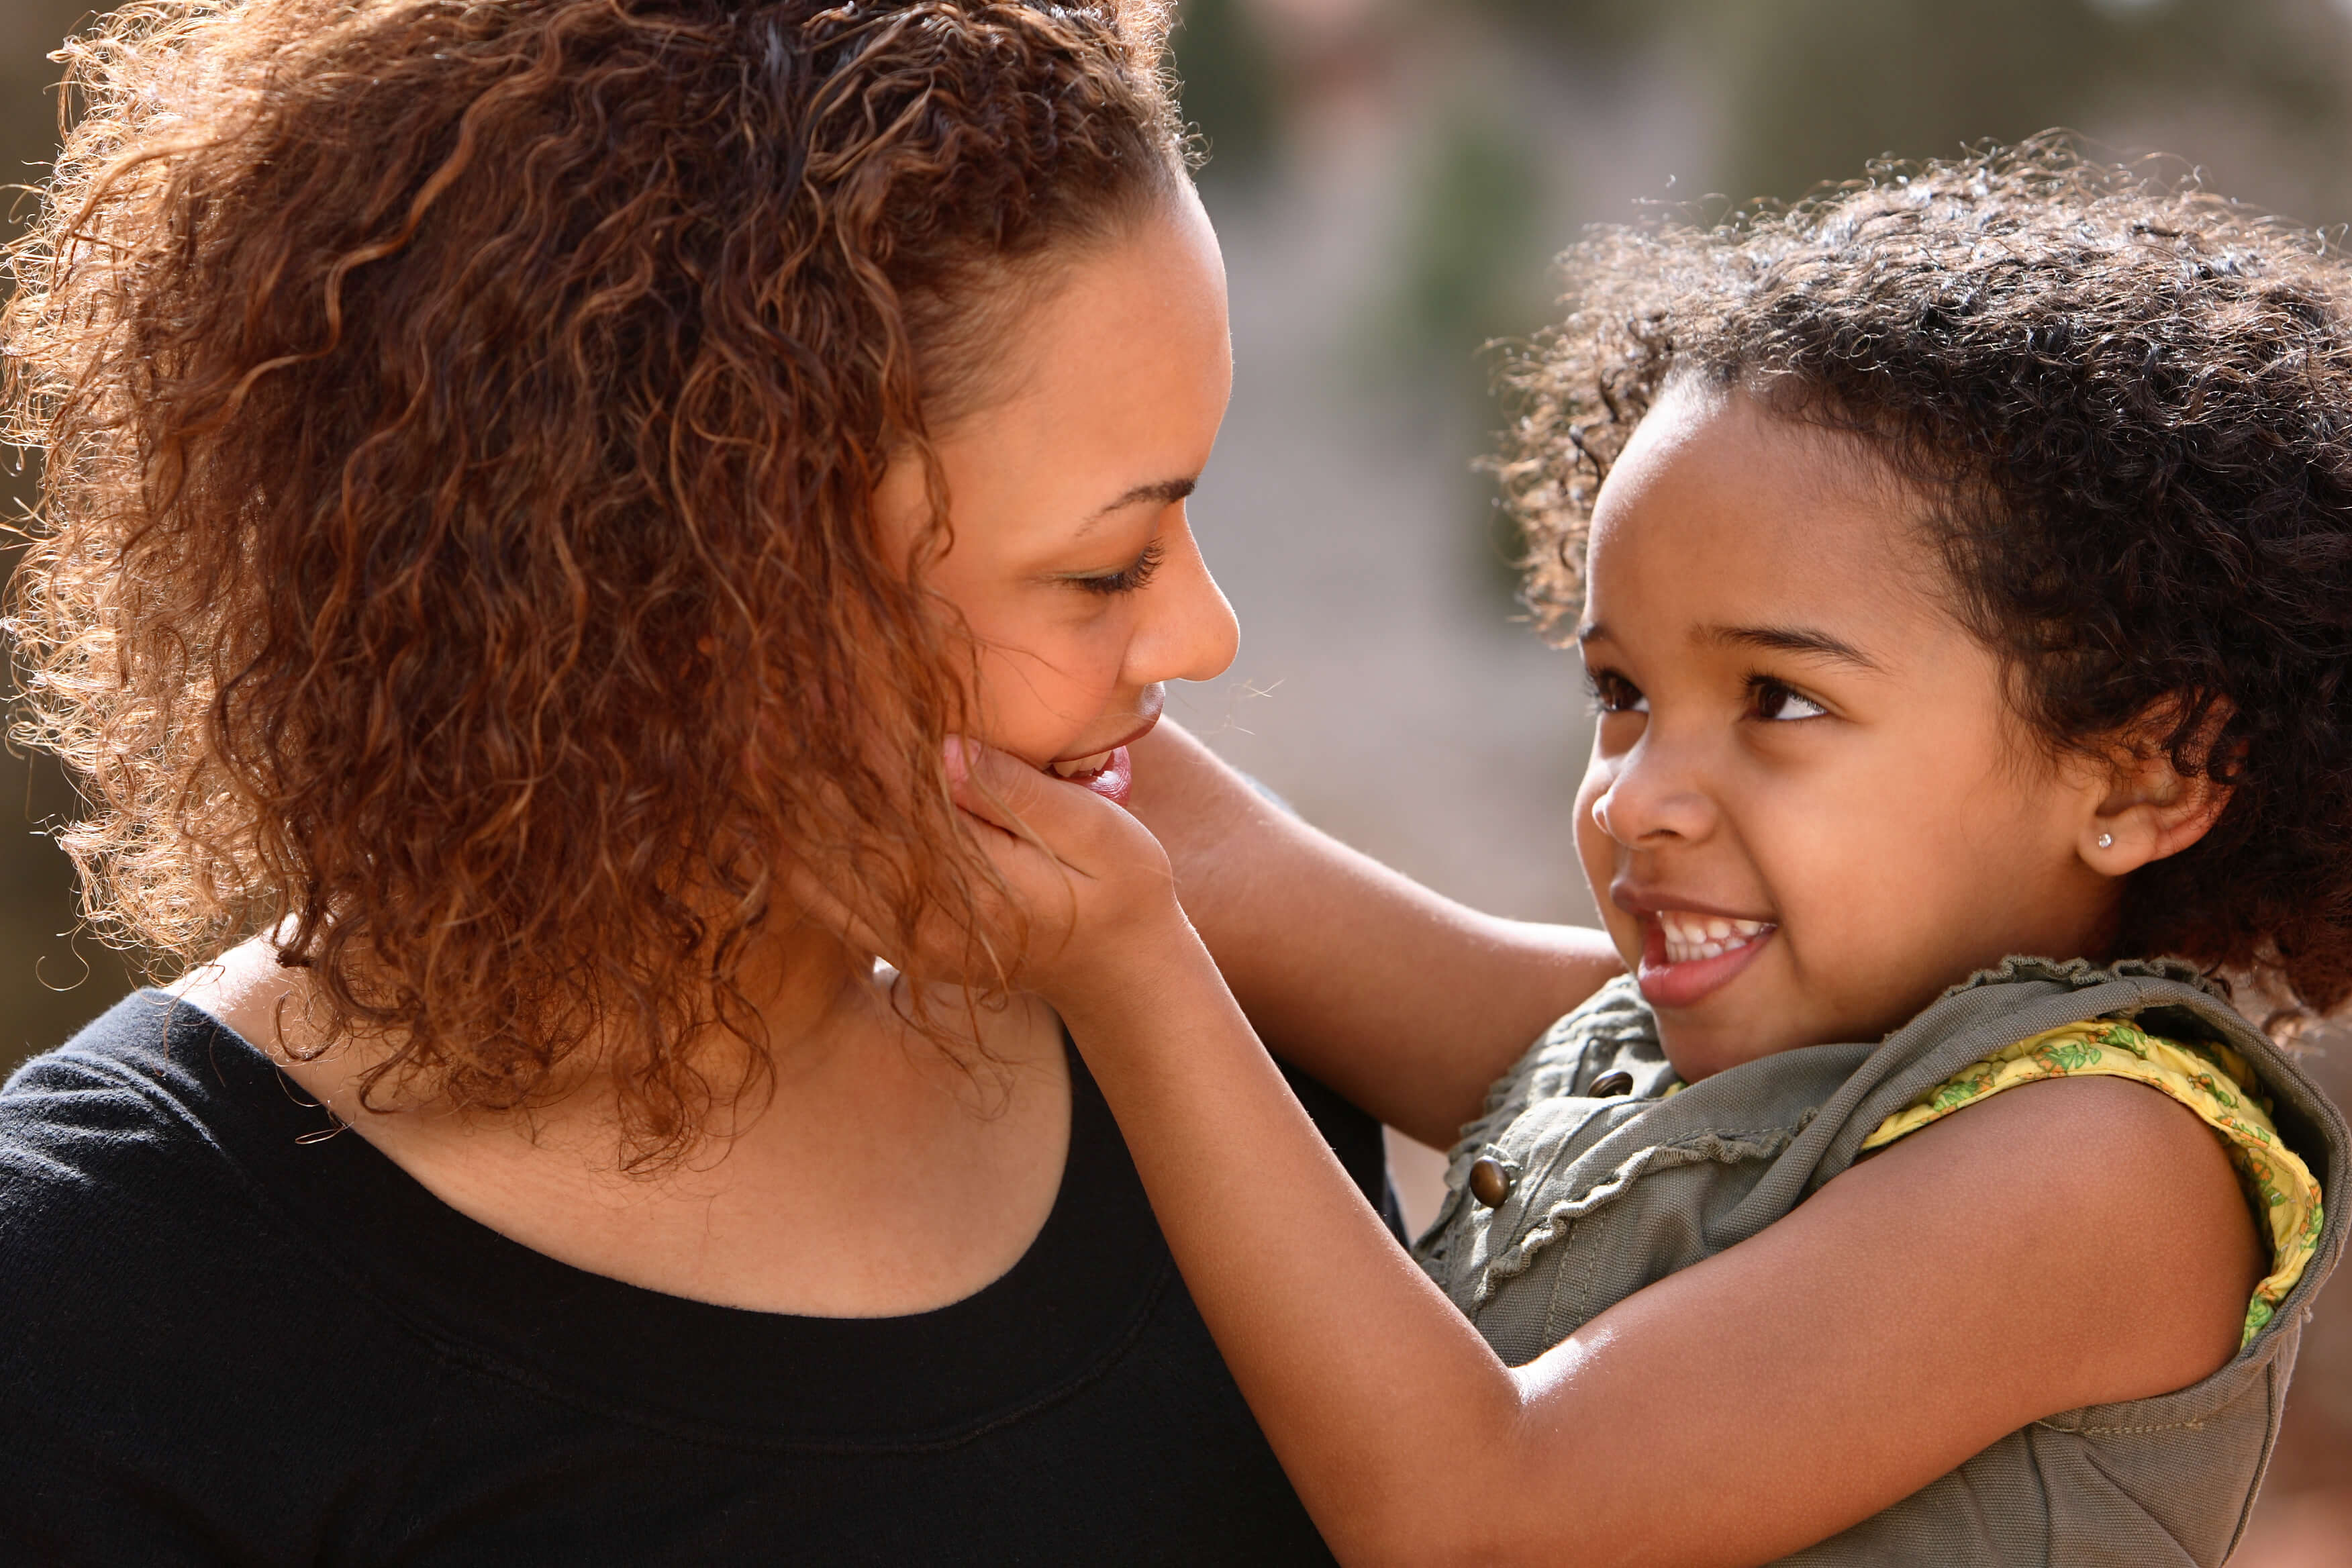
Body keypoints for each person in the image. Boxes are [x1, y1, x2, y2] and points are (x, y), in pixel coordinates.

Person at [0, 0, 1622, 1559]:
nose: (1206, 633)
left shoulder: (1190, 994)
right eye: (1106, 567)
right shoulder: (101, 1301)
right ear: (684, 594)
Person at [915, 141, 2351, 1566]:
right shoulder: (1651, 1045)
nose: (1642, 796)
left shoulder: (2114, 1163)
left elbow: (1483, 1507)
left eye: (1780, 701)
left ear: (2150, 771)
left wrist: (1128, 970)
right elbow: (1232, 868)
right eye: (1621, 696)